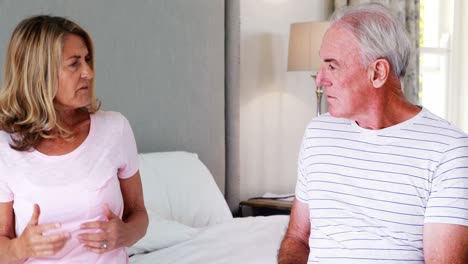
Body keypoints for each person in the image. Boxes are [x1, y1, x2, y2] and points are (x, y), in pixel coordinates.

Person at [278, 3, 468, 264]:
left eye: (332, 66)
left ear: (377, 72)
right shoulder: (318, 133)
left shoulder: (449, 150)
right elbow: (298, 238)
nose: (320, 79)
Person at [0, 15, 148, 263]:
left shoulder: (115, 129)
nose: (88, 73)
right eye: (74, 64)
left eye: (88, 60)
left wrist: (126, 233)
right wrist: (21, 248)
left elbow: (139, 214)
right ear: (40, 73)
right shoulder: (5, 146)